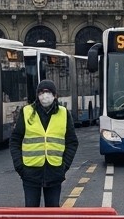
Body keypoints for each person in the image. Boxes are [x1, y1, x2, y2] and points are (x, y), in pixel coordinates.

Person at [10, 79, 78, 207]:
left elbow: (72, 142)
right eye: (41, 92)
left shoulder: (64, 114)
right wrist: (20, 167)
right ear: (37, 95)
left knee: (53, 217)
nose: (44, 95)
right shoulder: (26, 112)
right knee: (31, 215)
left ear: (54, 95)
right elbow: (15, 141)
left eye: (48, 92)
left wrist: (64, 166)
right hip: (30, 174)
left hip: (54, 173)